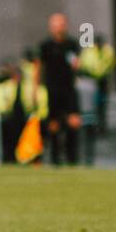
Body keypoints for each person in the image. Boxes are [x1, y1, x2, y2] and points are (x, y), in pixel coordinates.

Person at [34, 13, 81, 166]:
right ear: (51, 27)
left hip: (69, 89)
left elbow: (76, 63)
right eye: (56, 24)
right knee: (53, 124)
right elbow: (38, 67)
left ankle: (72, 158)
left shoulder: (72, 44)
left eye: (61, 24)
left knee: (73, 122)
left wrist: (77, 65)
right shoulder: (45, 46)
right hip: (52, 90)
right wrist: (35, 89)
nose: (59, 27)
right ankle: (55, 159)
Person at [78, 35, 115, 137]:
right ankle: (91, 128)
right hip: (91, 80)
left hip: (102, 81)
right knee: (90, 105)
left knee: (102, 105)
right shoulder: (88, 52)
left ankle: (101, 128)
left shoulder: (107, 51)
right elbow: (83, 65)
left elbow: (110, 64)